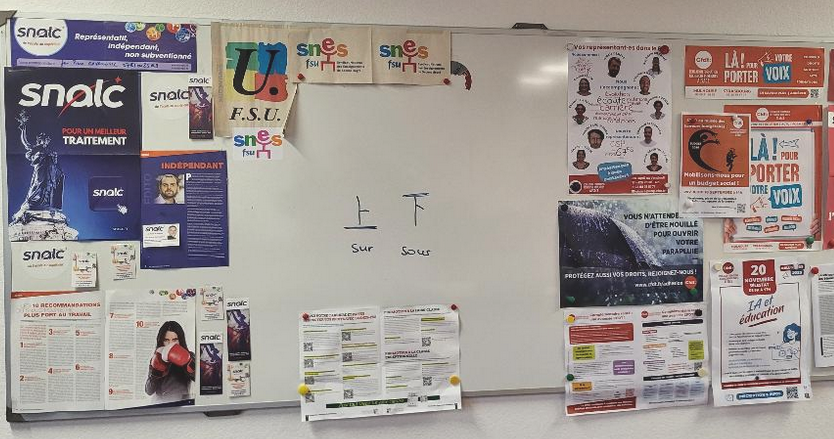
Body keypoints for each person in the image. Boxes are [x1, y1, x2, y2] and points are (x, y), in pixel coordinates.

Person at [146, 321, 195, 403]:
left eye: (175, 340)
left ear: (180, 340)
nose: (170, 344)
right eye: (166, 340)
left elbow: (201, 379)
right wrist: (156, 373)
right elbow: (149, 391)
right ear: (161, 341)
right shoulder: (157, 358)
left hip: (180, 404)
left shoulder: (189, 356)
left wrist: (187, 362)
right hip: (159, 404)